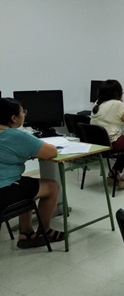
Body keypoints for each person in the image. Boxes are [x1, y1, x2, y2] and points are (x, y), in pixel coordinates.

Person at [0, 98, 65, 248]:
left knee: (29, 183)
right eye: (23, 112)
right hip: (4, 191)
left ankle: (27, 232)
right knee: (52, 187)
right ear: (14, 118)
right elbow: (51, 152)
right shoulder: (15, 136)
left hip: (7, 184)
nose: (24, 115)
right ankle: (44, 231)